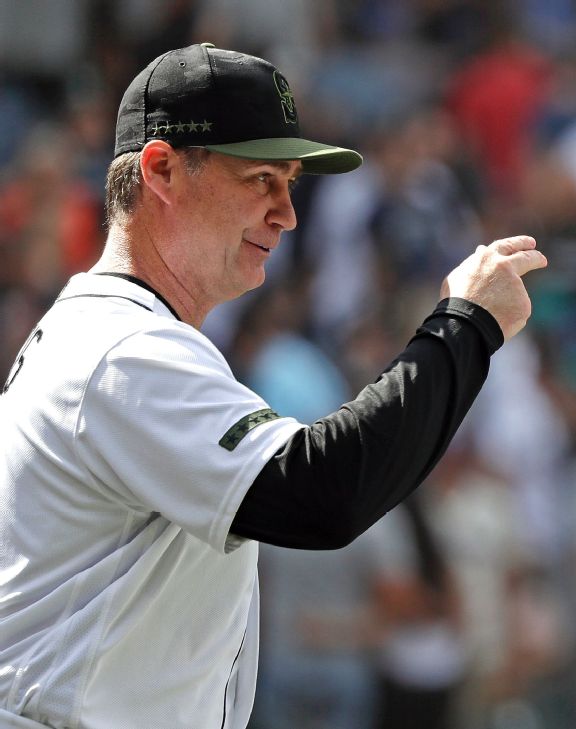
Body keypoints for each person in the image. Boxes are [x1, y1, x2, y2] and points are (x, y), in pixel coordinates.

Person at [0, 43, 545, 728]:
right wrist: (464, 326)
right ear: (162, 169)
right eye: (260, 178)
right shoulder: (125, 348)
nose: (287, 214)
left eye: (289, 183)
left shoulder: (113, 332)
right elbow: (322, 491)